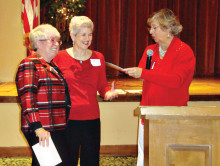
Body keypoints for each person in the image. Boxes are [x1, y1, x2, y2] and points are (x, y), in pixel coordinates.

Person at [123, 8, 195, 166]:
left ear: (168, 28)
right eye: (150, 28)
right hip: (148, 112)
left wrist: (145, 73)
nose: (151, 32)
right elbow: (144, 76)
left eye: (154, 27)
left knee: (168, 158)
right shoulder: (150, 50)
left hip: (171, 114)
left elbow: (176, 81)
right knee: (145, 156)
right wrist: (136, 74)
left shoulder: (183, 51)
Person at [53, 16, 118, 166]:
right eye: (83, 34)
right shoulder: (59, 57)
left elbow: (102, 86)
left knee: (91, 161)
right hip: (68, 119)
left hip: (91, 118)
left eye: (90, 34)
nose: (87, 38)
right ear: (72, 35)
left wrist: (108, 93)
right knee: (68, 160)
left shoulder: (98, 57)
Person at [15, 24, 71, 166]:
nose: (57, 44)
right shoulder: (29, 64)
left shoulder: (51, 65)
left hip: (54, 128)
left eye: (58, 41)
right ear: (38, 42)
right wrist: (38, 128)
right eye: (52, 40)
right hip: (42, 129)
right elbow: (28, 99)